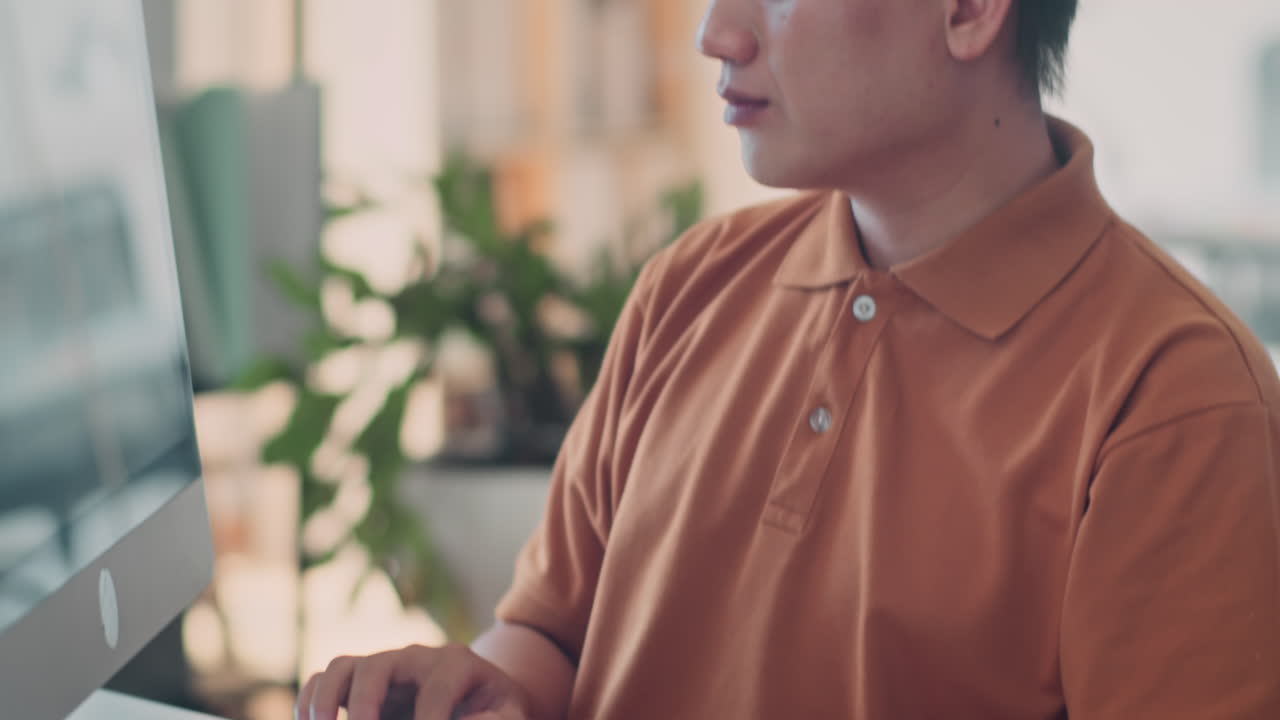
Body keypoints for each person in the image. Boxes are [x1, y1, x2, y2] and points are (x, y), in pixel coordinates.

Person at [298, 0, 1280, 718]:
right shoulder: (689, 286)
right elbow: (551, 635)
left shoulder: (1174, 398)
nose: (715, 34)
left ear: (970, 11)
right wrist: (482, 689)